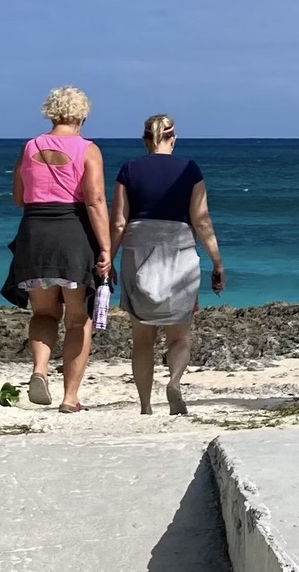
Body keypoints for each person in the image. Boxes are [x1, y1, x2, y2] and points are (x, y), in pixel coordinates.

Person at [1, 85, 111, 413]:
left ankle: (39, 371)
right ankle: (70, 398)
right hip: (72, 235)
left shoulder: (30, 146)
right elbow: (94, 200)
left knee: (45, 313)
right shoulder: (88, 150)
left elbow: (19, 199)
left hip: (34, 235)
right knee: (79, 319)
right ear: (82, 115)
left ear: (51, 112)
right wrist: (105, 248)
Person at [112, 113, 225, 416]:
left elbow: (120, 222)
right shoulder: (190, 169)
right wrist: (217, 262)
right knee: (180, 335)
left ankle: (146, 406)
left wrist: (106, 259)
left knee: (142, 339)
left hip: (139, 252)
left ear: (145, 139)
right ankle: (174, 381)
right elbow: (201, 220)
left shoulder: (129, 170)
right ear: (173, 139)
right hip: (180, 251)